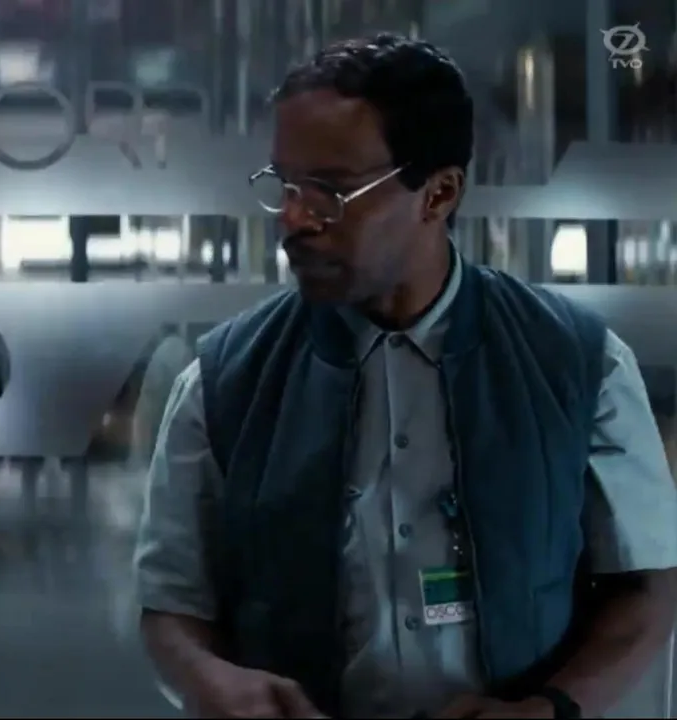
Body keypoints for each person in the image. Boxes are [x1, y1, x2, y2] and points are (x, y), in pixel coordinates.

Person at [134, 33, 677, 719]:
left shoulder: (579, 363)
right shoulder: (222, 381)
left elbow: (647, 586)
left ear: (439, 193)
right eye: (285, 186)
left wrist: (549, 710)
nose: (295, 219)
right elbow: (172, 603)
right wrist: (207, 679)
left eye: (331, 191)